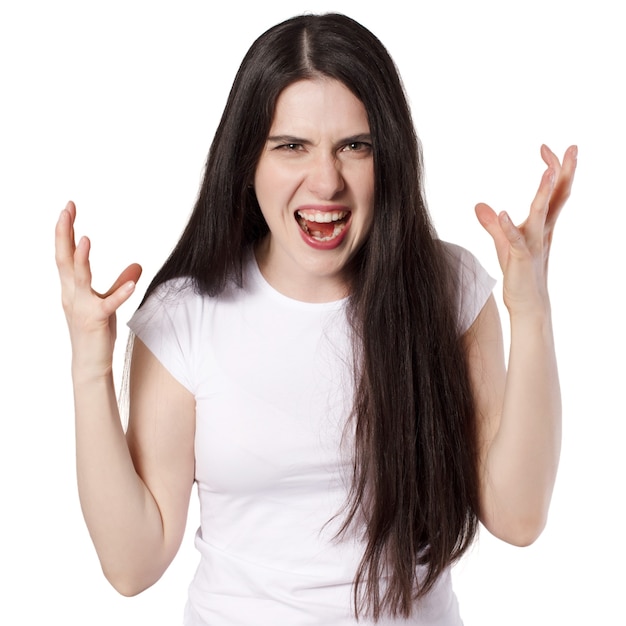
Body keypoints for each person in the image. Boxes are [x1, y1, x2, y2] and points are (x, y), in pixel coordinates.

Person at [55, 12, 577, 626]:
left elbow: (518, 517)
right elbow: (131, 565)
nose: (325, 181)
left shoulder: (449, 287)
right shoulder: (184, 316)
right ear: (247, 162)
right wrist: (90, 363)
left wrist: (531, 305)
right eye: (291, 146)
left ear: (392, 159)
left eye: (355, 146)